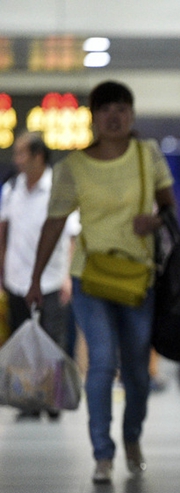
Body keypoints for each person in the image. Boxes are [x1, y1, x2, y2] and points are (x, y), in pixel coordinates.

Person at [25, 81, 176, 484]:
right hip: (90, 277)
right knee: (103, 360)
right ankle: (102, 453)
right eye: (106, 109)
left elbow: (169, 207)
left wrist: (153, 221)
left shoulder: (147, 154)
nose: (114, 116)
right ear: (93, 116)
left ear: (132, 115)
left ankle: (132, 436)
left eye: (122, 109)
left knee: (138, 372)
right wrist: (36, 277)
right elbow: (54, 223)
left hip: (138, 277)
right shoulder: (72, 167)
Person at [0, 132, 79, 420]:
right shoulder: (12, 188)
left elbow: (71, 236)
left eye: (21, 153)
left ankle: (52, 400)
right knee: (23, 340)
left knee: (52, 340)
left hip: (51, 278)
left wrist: (68, 276)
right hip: (17, 277)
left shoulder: (58, 188)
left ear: (38, 156)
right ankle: (28, 401)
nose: (16, 160)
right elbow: (3, 232)